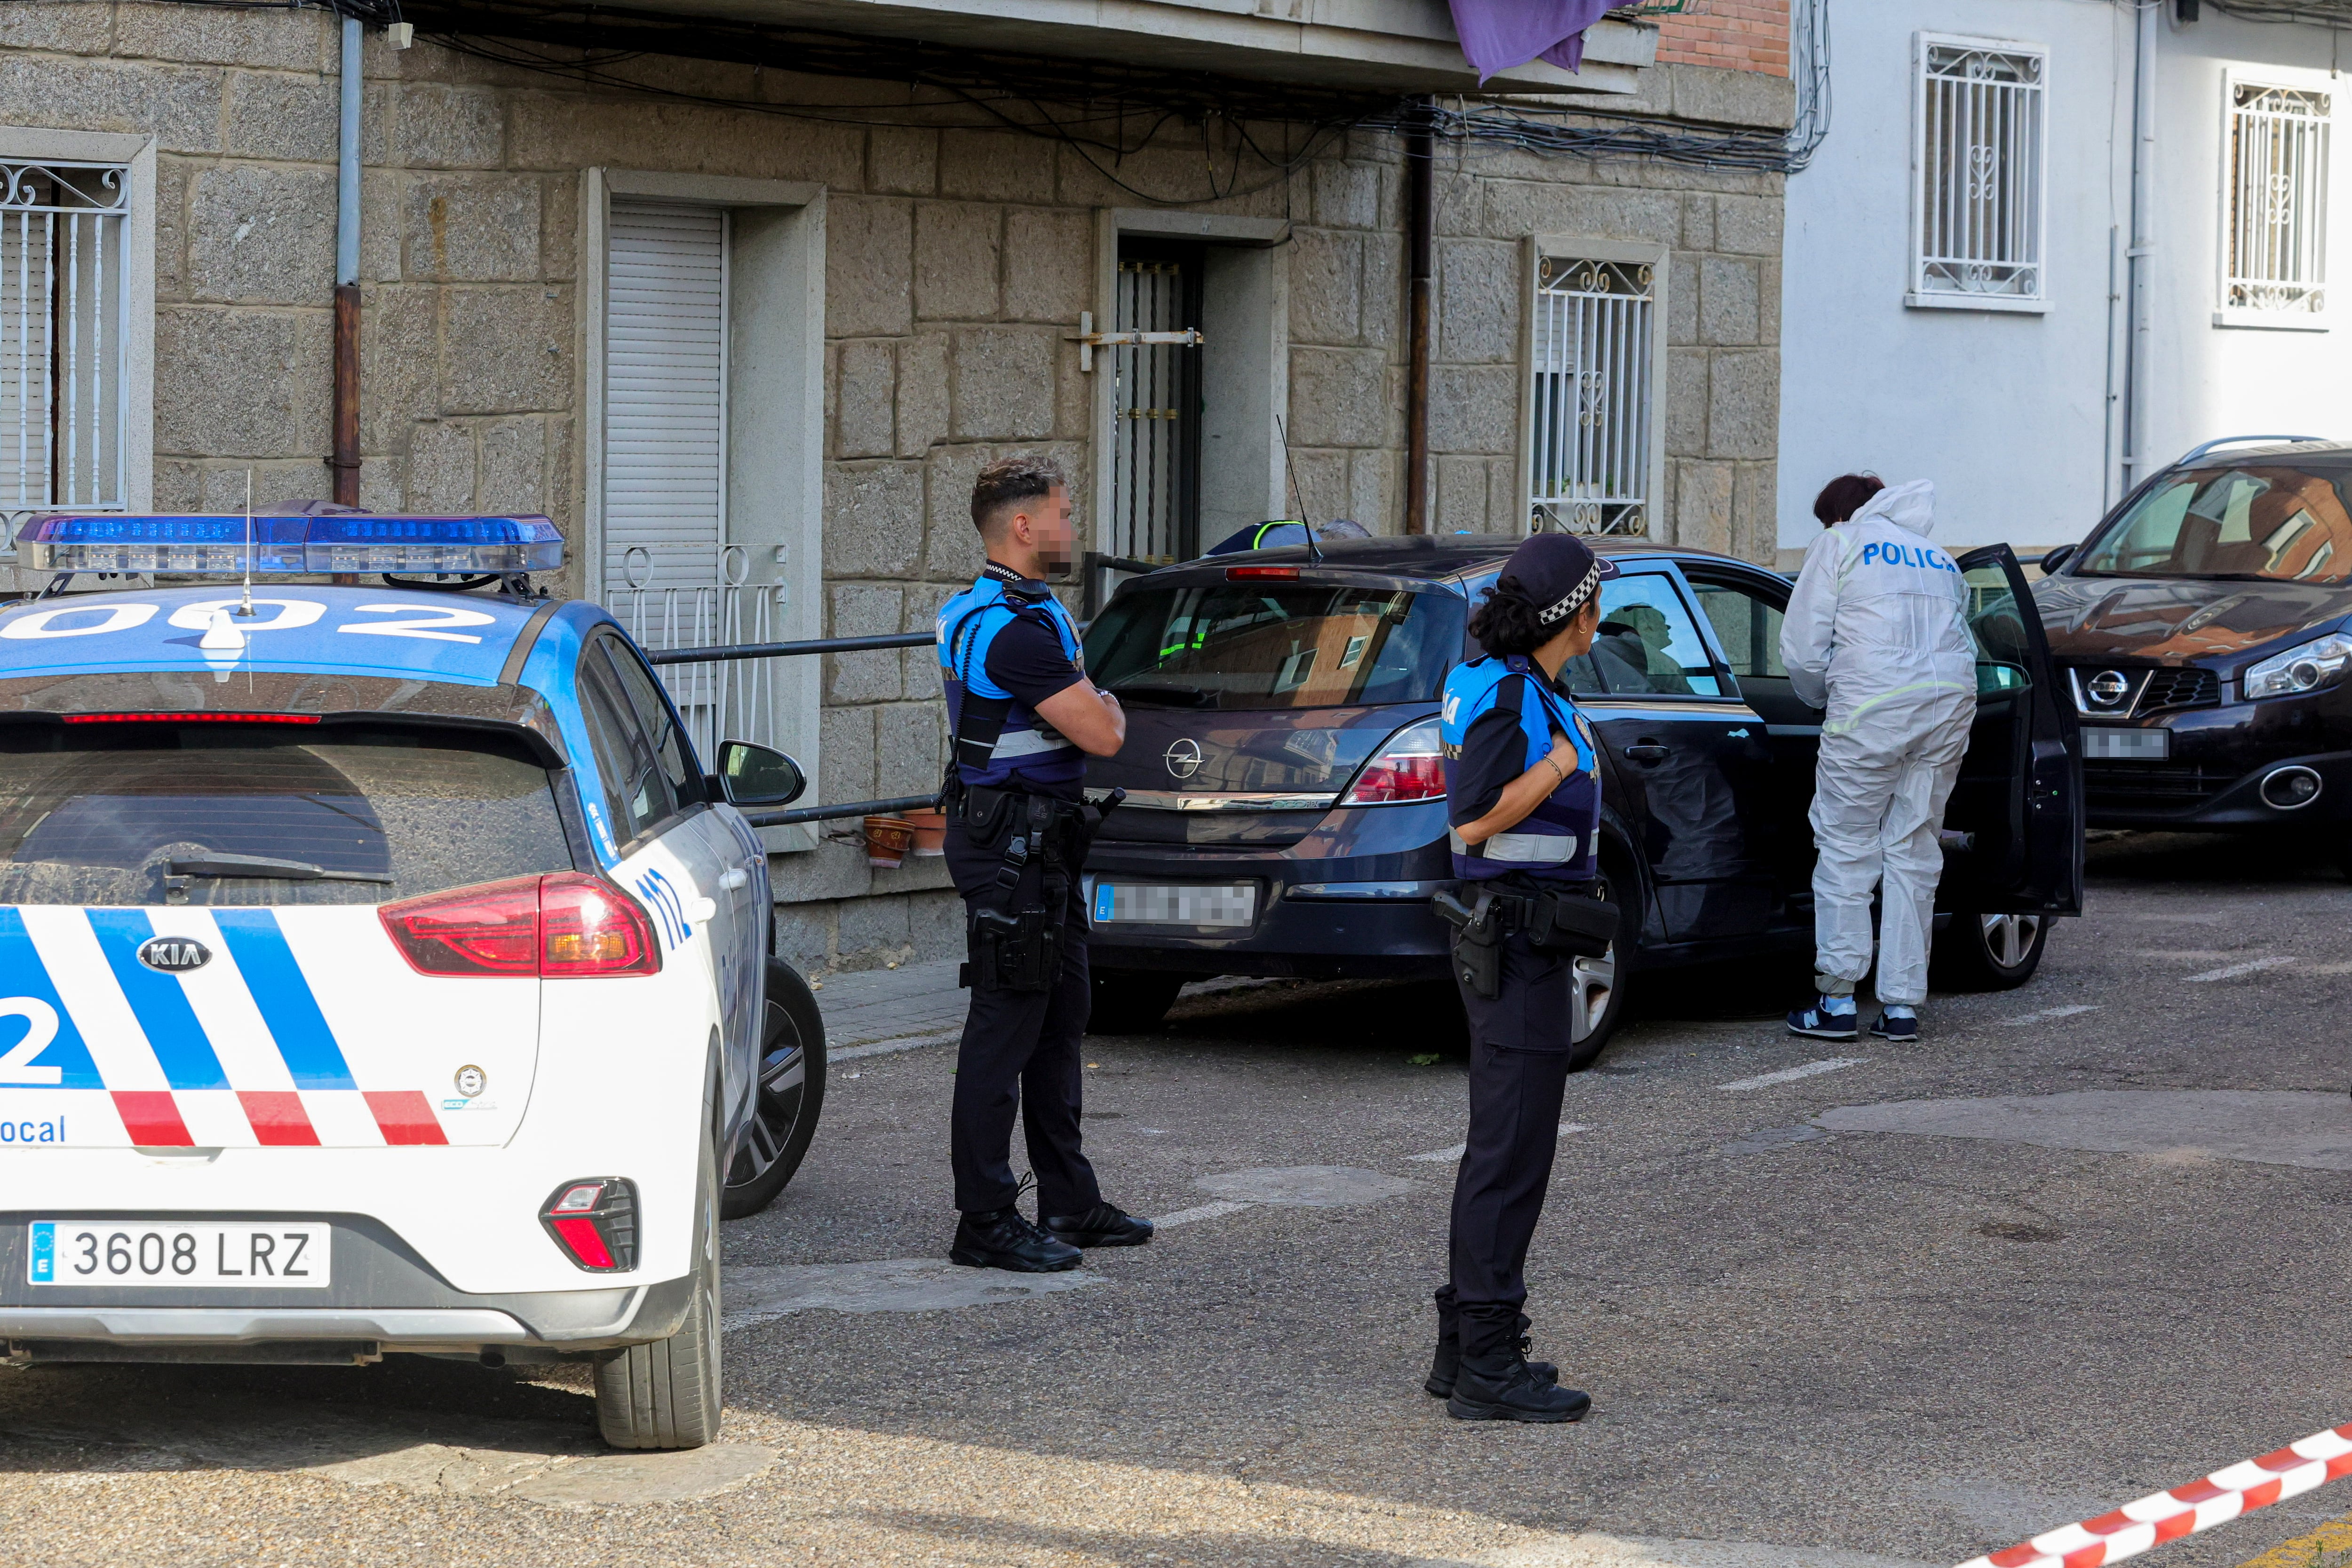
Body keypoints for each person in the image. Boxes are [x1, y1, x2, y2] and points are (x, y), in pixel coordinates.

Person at [936, 455, 1152, 1271]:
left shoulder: (1035, 612)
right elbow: (1102, 730)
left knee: (1061, 1019)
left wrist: (1099, 707)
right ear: (1023, 526)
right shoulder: (1013, 630)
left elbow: (1093, 706)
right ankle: (984, 1217)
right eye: (1063, 511)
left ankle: (1069, 1199)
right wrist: (1105, 713)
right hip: (1011, 848)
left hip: (1045, 841)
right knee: (1005, 1027)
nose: (1073, 524)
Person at [1425, 532, 1615, 1425]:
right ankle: (1489, 1365)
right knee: (1511, 1155)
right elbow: (1471, 822)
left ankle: (1464, 1344)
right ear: (1573, 612)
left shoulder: (1518, 681)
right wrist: (1558, 766)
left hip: (1517, 944)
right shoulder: (1508, 691)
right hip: (1517, 947)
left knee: (1499, 1148)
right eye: (1596, 595)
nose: (1601, 609)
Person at [1779, 474, 1978, 1044]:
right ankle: (1900, 1006)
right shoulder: (1939, 558)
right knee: (1914, 850)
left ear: (1837, 516)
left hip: (1870, 709)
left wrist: (1820, 698)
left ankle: (1836, 999)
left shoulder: (1840, 543)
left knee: (1845, 844)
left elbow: (1801, 647)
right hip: (1946, 709)